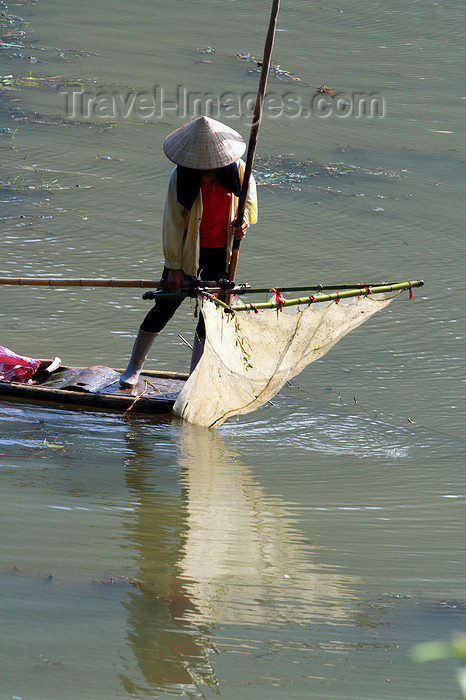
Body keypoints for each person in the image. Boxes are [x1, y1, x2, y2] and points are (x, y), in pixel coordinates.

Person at [120, 116, 258, 389]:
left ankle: (194, 378)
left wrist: (242, 224)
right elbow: (173, 223)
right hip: (185, 254)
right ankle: (133, 369)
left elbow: (249, 204)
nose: (207, 171)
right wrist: (172, 266)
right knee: (165, 305)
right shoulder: (182, 177)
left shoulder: (239, 170)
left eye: (211, 167)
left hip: (221, 254)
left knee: (211, 313)